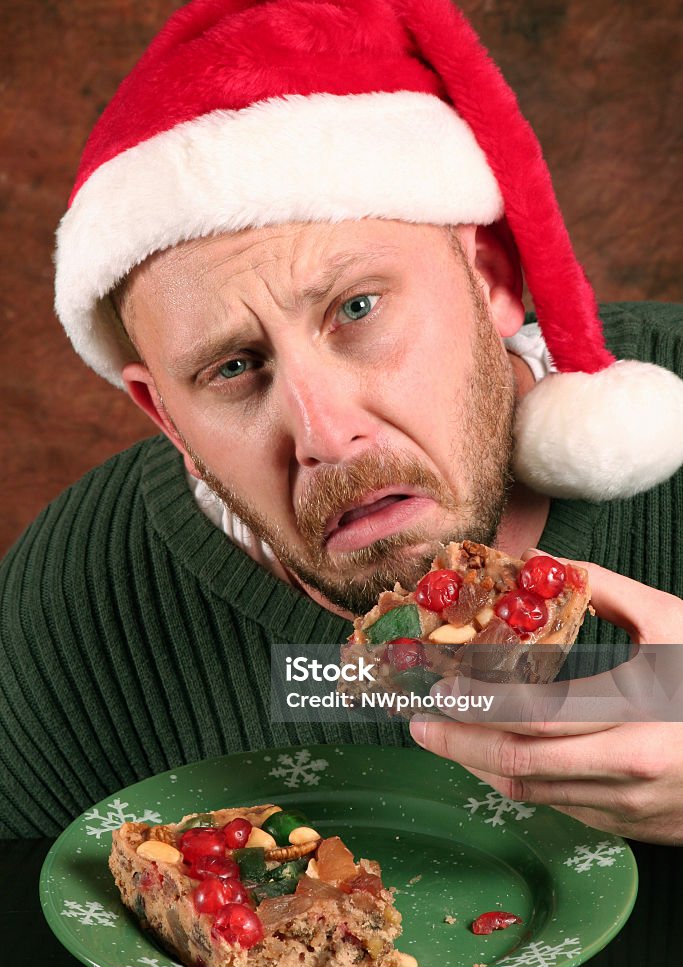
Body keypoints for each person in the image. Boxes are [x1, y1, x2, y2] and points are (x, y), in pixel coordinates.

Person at [1, 0, 682, 844]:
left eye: (356, 308)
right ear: (165, 415)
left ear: (492, 279)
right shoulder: (72, 601)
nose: (325, 435)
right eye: (233, 368)